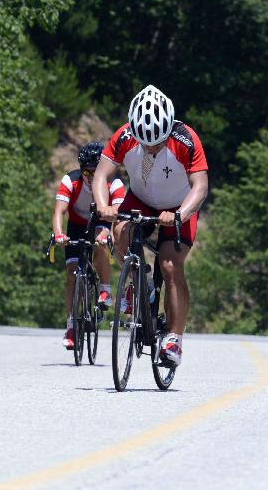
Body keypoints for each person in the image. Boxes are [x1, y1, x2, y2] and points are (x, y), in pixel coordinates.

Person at [92, 85, 208, 367]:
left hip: (179, 206)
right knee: (120, 233)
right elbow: (100, 175)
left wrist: (180, 214)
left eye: (157, 142)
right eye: (146, 143)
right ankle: (139, 279)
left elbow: (200, 186)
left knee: (169, 265)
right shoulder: (124, 136)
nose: (151, 147)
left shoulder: (186, 138)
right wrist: (103, 205)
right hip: (140, 199)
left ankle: (173, 340)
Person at [53, 142, 126, 350]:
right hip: (76, 224)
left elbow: (118, 213)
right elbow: (59, 212)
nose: (91, 177)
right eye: (87, 172)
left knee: (101, 240)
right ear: (80, 169)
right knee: (71, 274)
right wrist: (59, 234)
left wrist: (109, 232)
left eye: (96, 171)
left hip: (102, 221)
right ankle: (70, 326)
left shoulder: (114, 184)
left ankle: (104, 290)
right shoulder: (71, 180)